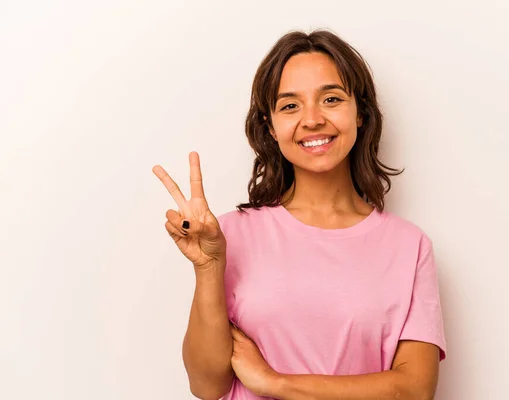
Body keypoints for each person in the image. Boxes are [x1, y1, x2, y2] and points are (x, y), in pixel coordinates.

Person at [152, 29, 447, 400]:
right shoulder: (228, 235)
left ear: (361, 113)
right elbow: (207, 386)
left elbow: (414, 390)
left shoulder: (409, 246)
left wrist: (276, 383)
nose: (312, 119)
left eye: (331, 99)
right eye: (290, 105)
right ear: (270, 128)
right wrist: (208, 268)